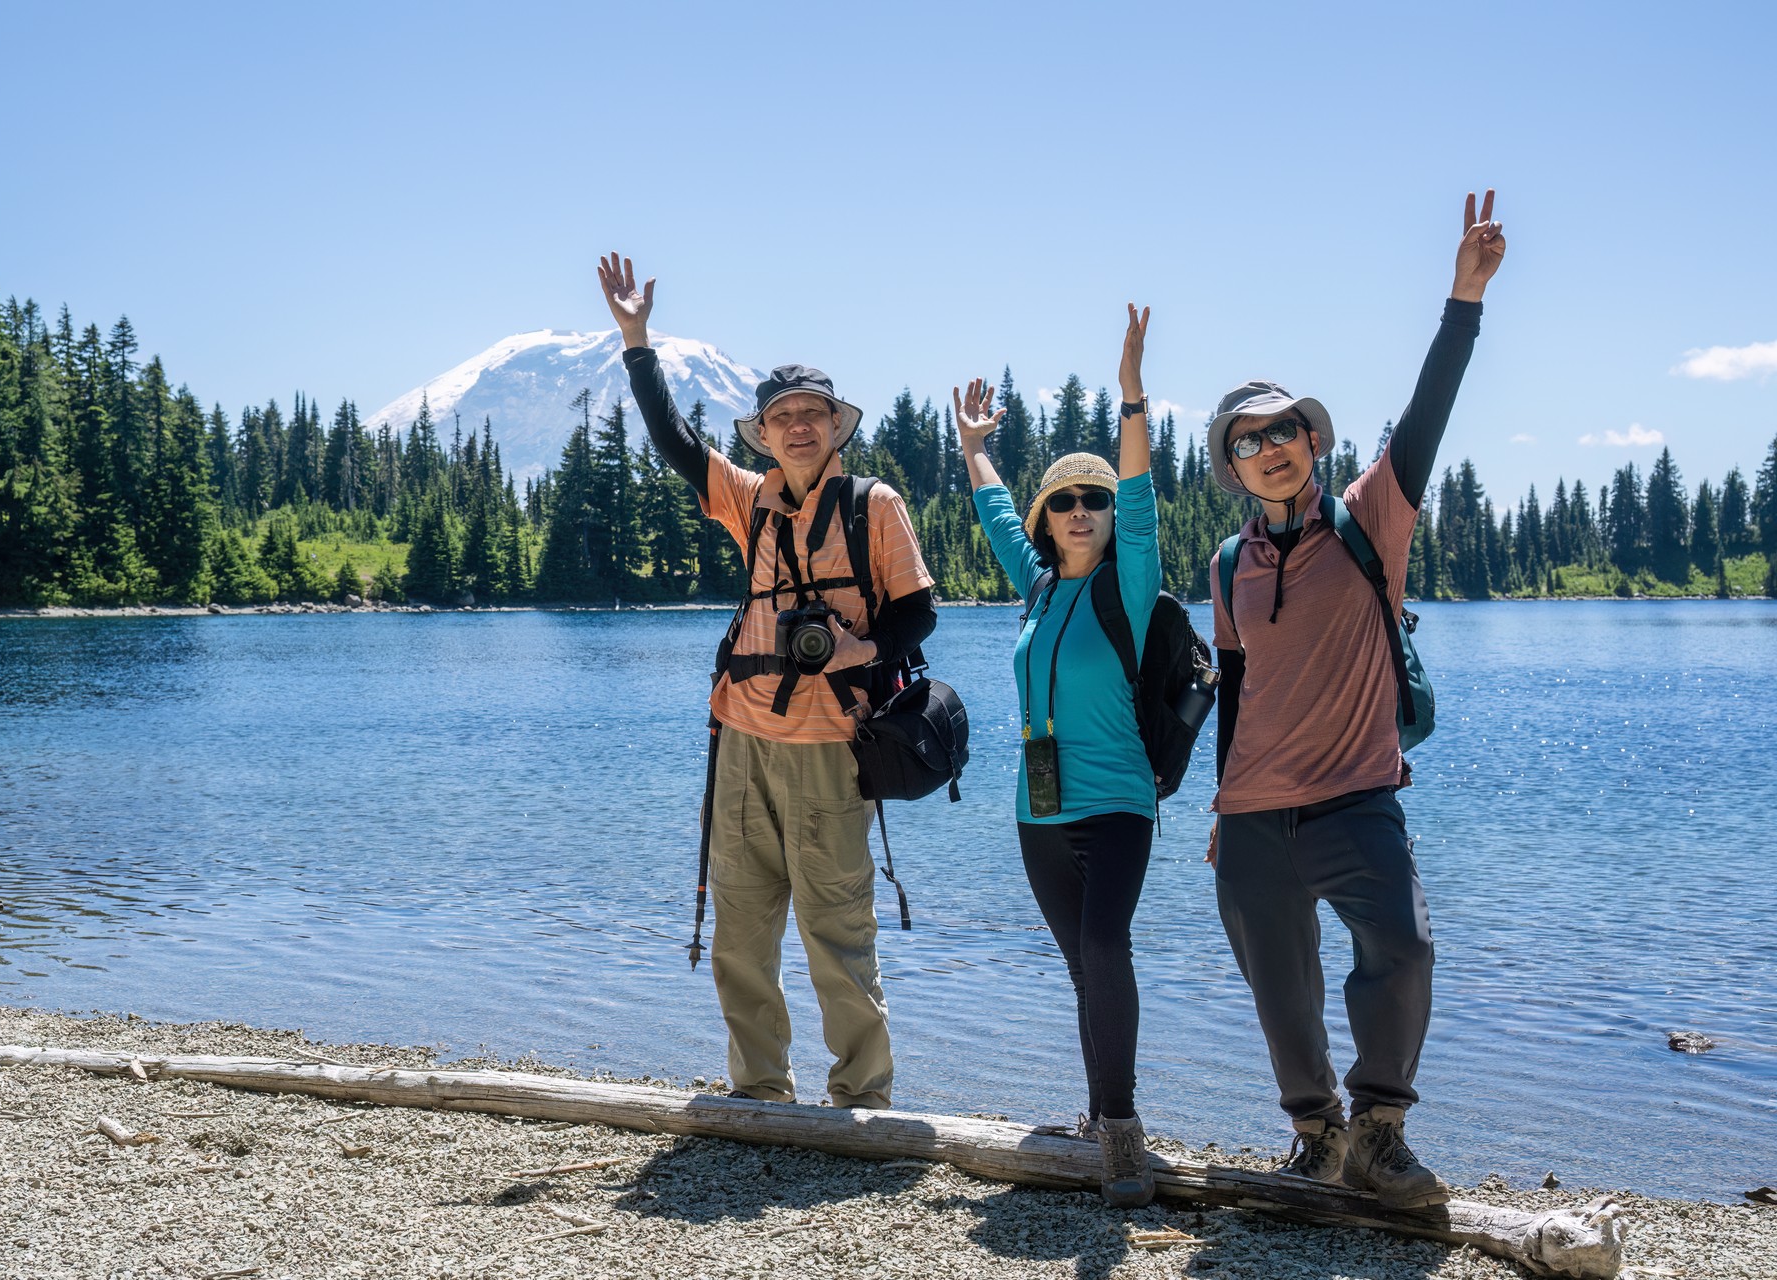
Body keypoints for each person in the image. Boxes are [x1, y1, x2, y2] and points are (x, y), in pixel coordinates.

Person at [1205, 191, 1507, 1209]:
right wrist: (1218, 808)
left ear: (1312, 440)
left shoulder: (1371, 515)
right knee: (1277, 986)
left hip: (1357, 793)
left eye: (1286, 428)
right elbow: (1236, 687)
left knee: (1405, 946)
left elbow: (1427, 414)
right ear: (1234, 467)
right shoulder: (1226, 563)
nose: (1274, 445)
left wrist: (1461, 300)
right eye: (1251, 439)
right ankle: (1313, 1131)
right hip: (1250, 814)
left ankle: (1380, 1126)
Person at [597, 252, 937, 1111]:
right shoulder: (747, 500)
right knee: (741, 933)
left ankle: (863, 1099)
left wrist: (860, 652)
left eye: (813, 414)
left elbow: (918, 617)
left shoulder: (874, 505)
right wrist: (637, 341)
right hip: (741, 741)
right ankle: (759, 1089)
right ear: (765, 431)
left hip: (831, 746)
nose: (797, 427)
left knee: (837, 931)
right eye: (782, 416)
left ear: (835, 427)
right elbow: (674, 440)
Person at [954, 304, 1163, 1206]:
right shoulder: (1036, 589)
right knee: (1083, 966)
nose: (1083, 511)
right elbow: (998, 515)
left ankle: (1121, 1135)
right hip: (1036, 811)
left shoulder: (1135, 584)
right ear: (1051, 518)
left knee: (1105, 946)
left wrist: (1130, 397)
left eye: (1097, 500)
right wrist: (973, 449)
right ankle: (1098, 1107)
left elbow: (1145, 501)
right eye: (1066, 501)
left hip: (1117, 803)